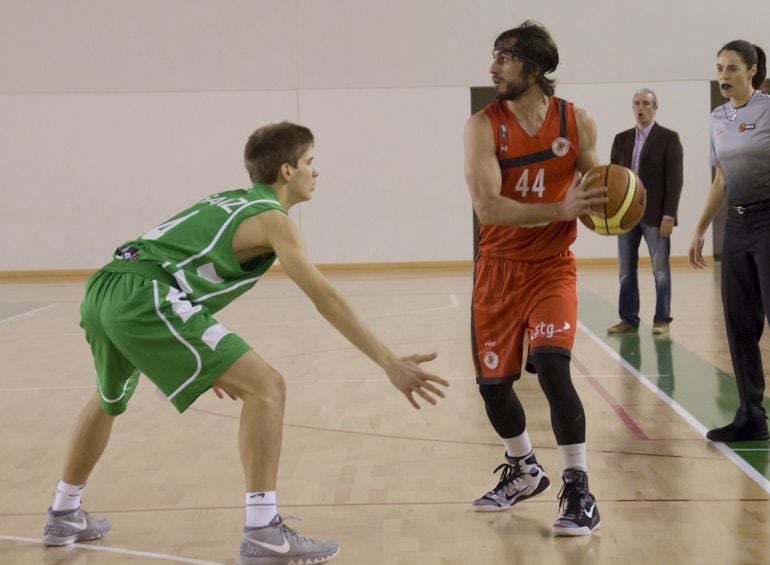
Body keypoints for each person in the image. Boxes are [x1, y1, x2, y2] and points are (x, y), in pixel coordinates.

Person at [41, 121, 450, 564]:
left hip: (107, 287)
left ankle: (64, 511)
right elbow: (326, 299)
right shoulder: (273, 219)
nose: (318, 172)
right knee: (267, 386)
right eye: (311, 162)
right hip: (146, 297)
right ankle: (263, 531)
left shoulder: (231, 201)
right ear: (288, 171)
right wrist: (390, 363)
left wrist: (198, 350)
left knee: (109, 398)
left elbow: (187, 263)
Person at [463, 21, 608, 536]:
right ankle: (525, 468)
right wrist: (560, 206)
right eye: (495, 56)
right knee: (493, 388)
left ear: (536, 67)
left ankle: (579, 488)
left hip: (552, 268)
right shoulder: (483, 125)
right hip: (498, 271)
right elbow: (489, 207)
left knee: (552, 369)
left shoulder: (577, 121)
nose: (492, 67)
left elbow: (593, 193)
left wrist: (612, 205)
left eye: (503, 57)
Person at [689, 40, 770, 443]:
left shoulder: (769, 110)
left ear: (752, 70)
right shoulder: (717, 117)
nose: (723, 75)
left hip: (769, 221)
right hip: (736, 226)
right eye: (719, 68)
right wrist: (701, 228)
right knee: (739, 324)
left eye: (732, 68)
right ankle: (751, 416)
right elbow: (720, 178)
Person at [606, 89, 684, 335]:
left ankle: (662, 319)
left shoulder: (668, 138)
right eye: (637, 103)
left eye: (646, 104)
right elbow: (614, 179)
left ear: (655, 107)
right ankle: (628, 319)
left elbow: (675, 180)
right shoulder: (621, 139)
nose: (641, 108)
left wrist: (669, 215)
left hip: (656, 216)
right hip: (626, 216)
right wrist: (611, 212)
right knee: (625, 271)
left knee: (660, 270)